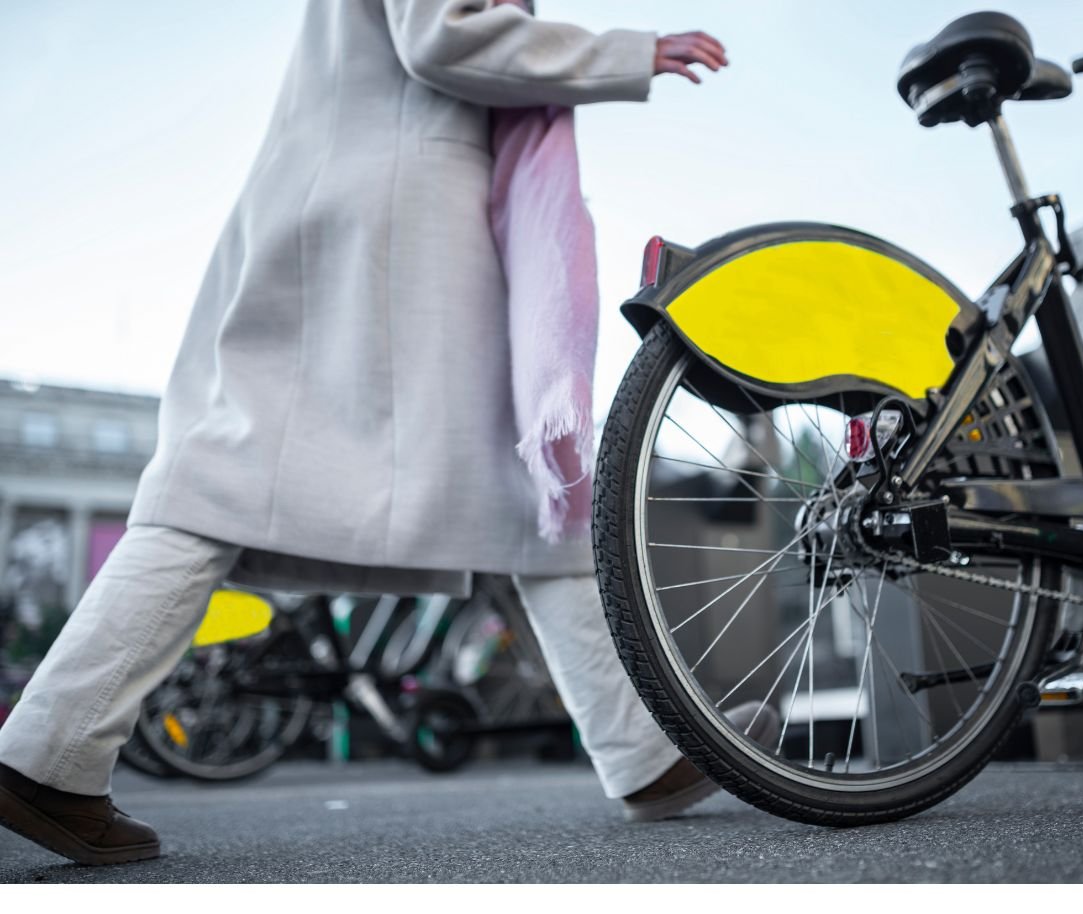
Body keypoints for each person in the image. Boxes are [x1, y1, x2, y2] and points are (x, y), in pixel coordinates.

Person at [0, 0, 769, 867]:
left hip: (372, 199)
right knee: (230, 476)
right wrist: (628, 52)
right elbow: (444, 32)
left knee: (516, 485)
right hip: (399, 212)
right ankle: (49, 752)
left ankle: (638, 749)